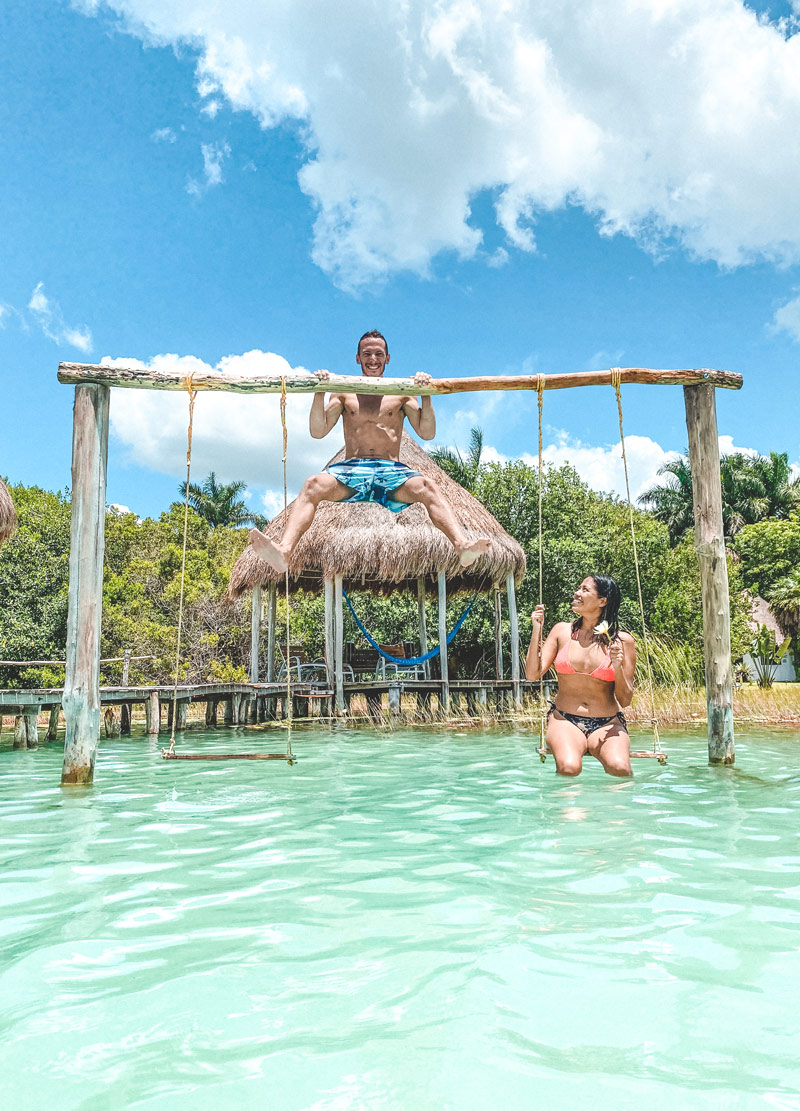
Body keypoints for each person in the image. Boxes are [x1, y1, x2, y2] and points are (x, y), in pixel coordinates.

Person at [249, 330, 491, 572]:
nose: (373, 359)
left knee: (427, 487)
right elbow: (318, 430)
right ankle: (285, 550)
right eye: (367, 354)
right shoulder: (343, 391)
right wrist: (319, 390)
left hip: (392, 471)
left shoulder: (401, 391)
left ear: (387, 358)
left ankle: (461, 546)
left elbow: (427, 433)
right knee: (313, 484)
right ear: (357, 358)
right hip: (351, 469)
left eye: (378, 354)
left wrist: (426, 394)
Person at [525, 574, 636, 777]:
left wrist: (618, 666)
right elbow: (532, 674)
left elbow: (625, 699)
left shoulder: (622, 641)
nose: (577, 593)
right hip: (565, 720)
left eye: (585, 590)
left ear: (603, 601)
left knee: (620, 768)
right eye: (579, 588)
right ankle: (570, 809)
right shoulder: (562, 631)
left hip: (607, 722)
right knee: (569, 767)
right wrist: (536, 631)